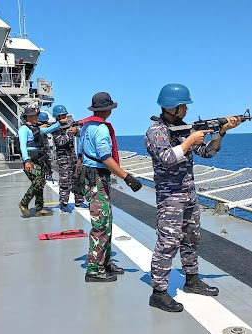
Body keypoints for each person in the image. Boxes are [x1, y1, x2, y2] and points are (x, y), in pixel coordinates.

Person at [145, 84, 241, 312]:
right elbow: (166, 158)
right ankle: (158, 292)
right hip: (170, 197)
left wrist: (221, 132)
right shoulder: (155, 131)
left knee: (191, 238)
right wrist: (190, 140)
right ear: (171, 107)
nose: (186, 110)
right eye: (183, 106)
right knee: (167, 243)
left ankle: (192, 280)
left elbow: (207, 153)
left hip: (188, 193)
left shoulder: (185, 129)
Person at [77, 92, 142, 283]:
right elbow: (106, 158)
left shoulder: (86, 126)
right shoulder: (101, 130)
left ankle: (104, 262)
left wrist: (76, 178)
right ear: (109, 109)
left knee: (106, 220)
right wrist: (127, 177)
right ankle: (94, 269)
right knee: (101, 224)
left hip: (90, 176)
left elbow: (80, 153)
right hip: (97, 177)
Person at [18, 107, 63, 217]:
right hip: (31, 159)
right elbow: (23, 146)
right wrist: (26, 161)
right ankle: (24, 203)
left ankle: (39, 208)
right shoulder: (24, 129)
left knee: (41, 182)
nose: (36, 117)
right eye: (34, 115)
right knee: (38, 182)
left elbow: (47, 130)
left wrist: (59, 123)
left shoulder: (33, 128)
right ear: (29, 117)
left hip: (38, 159)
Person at [51, 105, 86, 212]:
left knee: (78, 179)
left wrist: (76, 130)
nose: (64, 118)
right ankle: (63, 203)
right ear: (57, 117)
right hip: (63, 159)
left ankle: (79, 201)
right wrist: (70, 133)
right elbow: (60, 141)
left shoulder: (69, 125)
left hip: (73, 158)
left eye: (65, 115)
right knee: (65, 182)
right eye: (61, 116)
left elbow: (80, 134)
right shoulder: (55, 128)